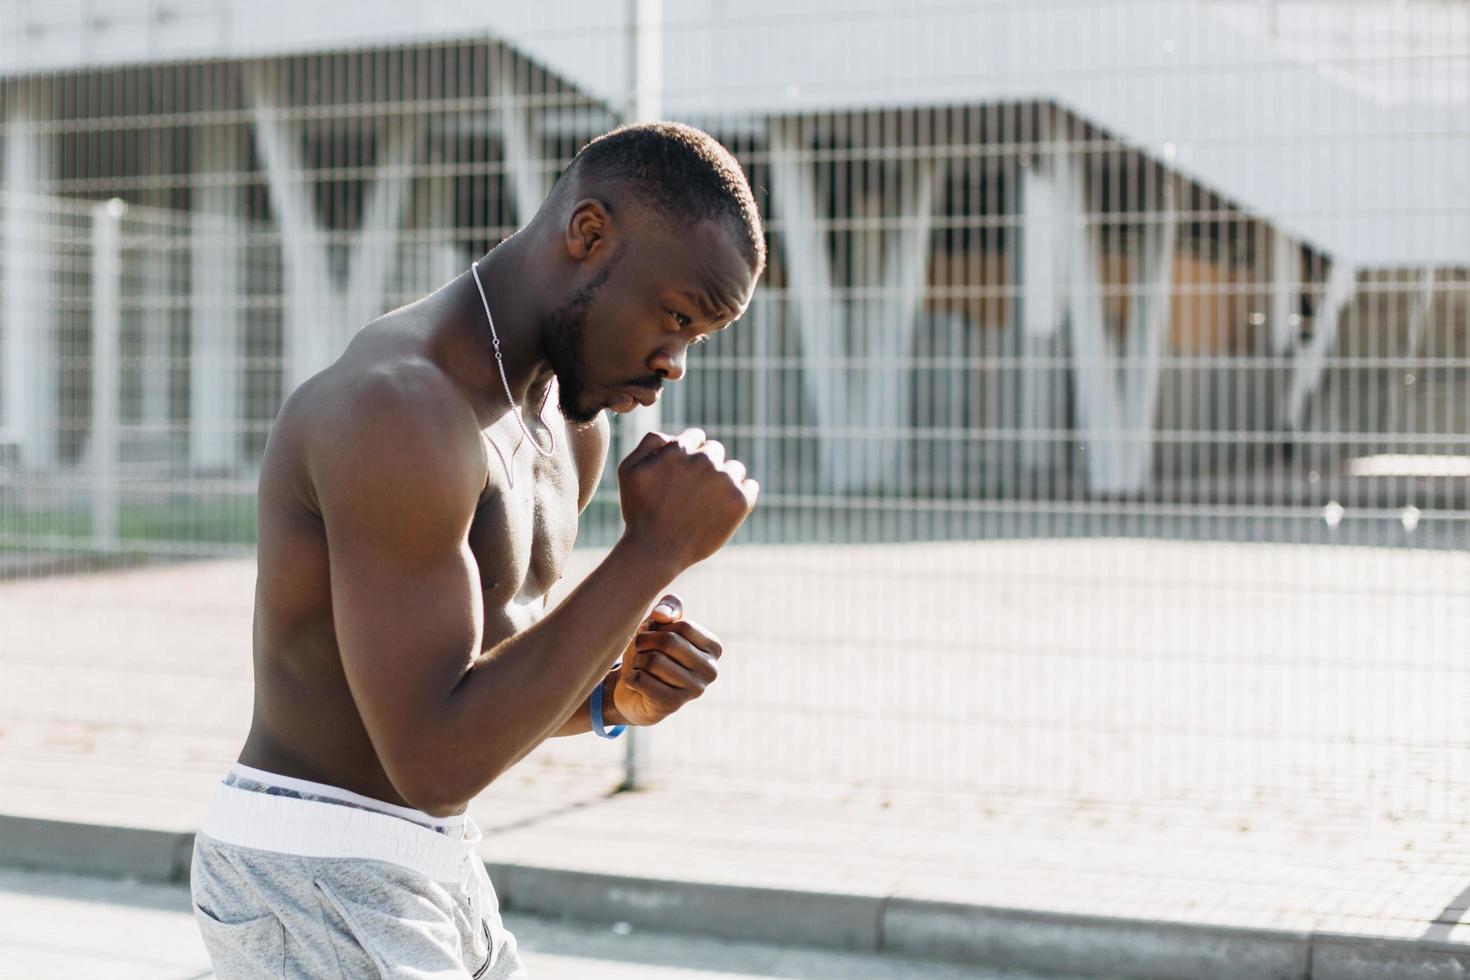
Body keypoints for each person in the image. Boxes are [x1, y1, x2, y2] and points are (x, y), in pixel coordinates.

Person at [190, 121, 766, 979]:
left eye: (696, 339)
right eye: (675, 317)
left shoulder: (569, 436)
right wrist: (653, 552)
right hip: (312, 874)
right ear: (589, 233)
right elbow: (433, 758)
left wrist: (611, 699)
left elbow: (465, 694)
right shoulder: (399, 408)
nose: (674, 364)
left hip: (434, 863)